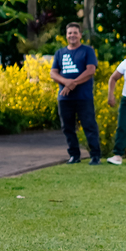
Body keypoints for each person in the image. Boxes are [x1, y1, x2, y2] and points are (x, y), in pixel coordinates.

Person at [51, 22, 101, 165]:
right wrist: (66, 82)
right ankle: (74, 155)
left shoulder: (87, 51)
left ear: (80, 35)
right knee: (67, 128)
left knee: (89, 126)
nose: (72, 35)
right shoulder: (60, 53)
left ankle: (95, 156)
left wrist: (74, 83)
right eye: (70, 33)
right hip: (65, 98)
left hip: (83, 97)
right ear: (66, 36)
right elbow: (53, 73)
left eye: (75, 33)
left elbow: (90, 70)